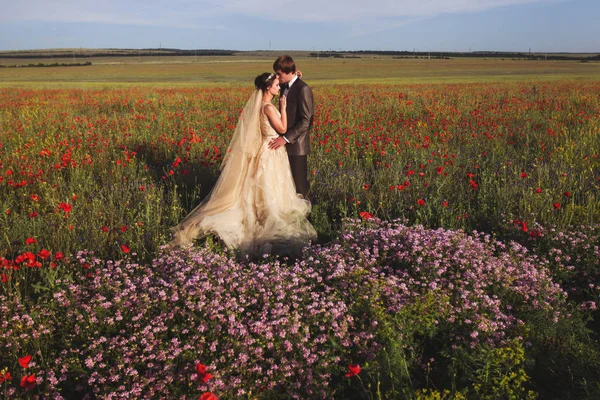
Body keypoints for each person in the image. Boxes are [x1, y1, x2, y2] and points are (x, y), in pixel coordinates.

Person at [169, 73, 316, 254]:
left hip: (265, 148)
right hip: (271, 150)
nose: (280, 88)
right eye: (277, 85)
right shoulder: (269, 107)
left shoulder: (261, 105)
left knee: (261, 185)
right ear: (268, 87)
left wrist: (295, 75)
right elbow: (283, 129)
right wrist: (284, 108)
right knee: (269, 186)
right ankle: (266, 217)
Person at [268, 55, 314, 200]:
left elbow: (307, 120)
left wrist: (286, 138)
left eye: (279, 74)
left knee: (300, 187)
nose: (277, 76)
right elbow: (269, 84)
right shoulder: (284, 85)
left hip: (297, 146)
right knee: (286, 187)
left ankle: (307, 220)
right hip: (283, 145)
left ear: (289, 72)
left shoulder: (303, 89)